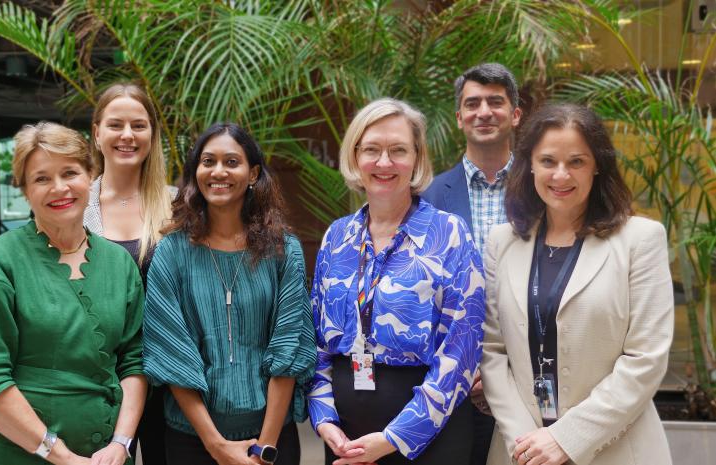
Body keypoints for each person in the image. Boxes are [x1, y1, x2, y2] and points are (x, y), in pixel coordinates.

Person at [481, 103, 673, 465]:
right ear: (530, 164)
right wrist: (528, 443)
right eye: (549, 161)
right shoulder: (502, 242)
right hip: (520, 452)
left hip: (616, 449)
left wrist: (566, 440)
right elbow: (492, 352)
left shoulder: (640, 240)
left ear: (597, 165)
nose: (561, 175)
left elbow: (646, 359)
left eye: (577, 162)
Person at [308, 98, 485, 465]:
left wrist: (395, 438)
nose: (384, 162)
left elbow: (461, 351)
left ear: (417, 158)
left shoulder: (448, 234)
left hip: (430, 439)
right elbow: (317, 344)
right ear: (355, 156)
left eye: (398, 150)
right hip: (345, 439)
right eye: (372, 150)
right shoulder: (337, 237)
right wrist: (324, 421)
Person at [0, 122, 146, 465]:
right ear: (25, 190)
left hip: (108, 455)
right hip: (19, 454)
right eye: (42, 178)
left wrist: (121, 443)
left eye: (70, 173)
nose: (59, 188)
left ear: (91, 176)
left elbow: (133, 360)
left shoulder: (119, 263)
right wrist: (62, 457)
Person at [143, 123, 316, 465]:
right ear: (196, 172)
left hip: (271, 438)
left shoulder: (284, 251)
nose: (218, 171)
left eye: (231, 162)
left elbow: (289, 348)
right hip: (192, 439)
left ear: (252, 173)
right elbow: (171, 353)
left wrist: (263, 450)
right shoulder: (171, 252)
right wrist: (216, 445)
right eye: (208, 161)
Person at [421, 63, 522, 465]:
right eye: (473, 103)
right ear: (459, 117)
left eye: (495, 102)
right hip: (453, 386)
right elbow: (421, 298)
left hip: (529, 380)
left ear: (515, 114)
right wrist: (467, 370)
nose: (484, 112)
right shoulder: (426, 199)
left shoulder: (545, 189)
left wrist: (505, 372)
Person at [84, 82, 173, 464]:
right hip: (98, 377)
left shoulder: (177, 204)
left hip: (169, 379)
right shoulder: (75, 204)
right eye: (116, 124)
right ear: (97, 132)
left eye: (138, 125)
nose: (127, 135)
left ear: (152, 133)